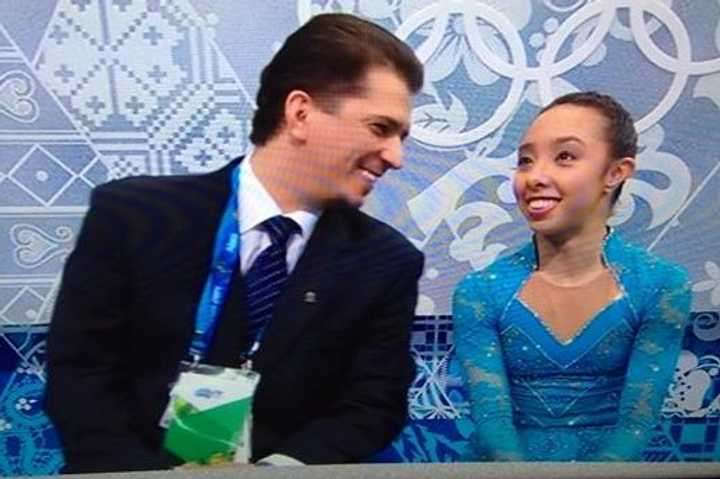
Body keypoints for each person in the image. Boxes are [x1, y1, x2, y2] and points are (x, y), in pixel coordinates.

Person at [45, 13, 424, 473]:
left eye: (401, 137)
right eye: (380, 128)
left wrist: (270, 475)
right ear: (300, 112)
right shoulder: (133, 217)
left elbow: (371, 406)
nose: (397, 158)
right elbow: (80, 376)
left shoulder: (387, 262)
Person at [453, 92, 691, 461]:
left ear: (615, 173)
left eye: (564, 156)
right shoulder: (479, 292)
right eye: (525, 161)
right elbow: (492, 422)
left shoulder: (662, 286)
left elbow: (636, 425)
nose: (535, 176)